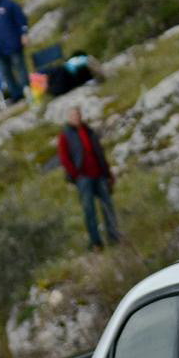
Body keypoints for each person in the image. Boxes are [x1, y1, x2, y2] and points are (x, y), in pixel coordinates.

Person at [56, 106, 120, 250]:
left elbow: (99, 152)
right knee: (89, 210)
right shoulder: (65, 135)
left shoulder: (89, 130)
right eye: (73, 116)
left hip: (99, 175)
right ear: (69, 118)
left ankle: (114, 236)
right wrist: (75, 174)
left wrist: (108, 173)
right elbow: (64, 158)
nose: (76, 118)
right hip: (83, 178)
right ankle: (95, 242)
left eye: (78, 115)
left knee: (107, 205)